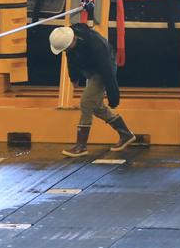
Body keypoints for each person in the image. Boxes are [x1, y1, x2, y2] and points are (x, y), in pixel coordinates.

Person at [49, 23, 136, 157]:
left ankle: (81, 146)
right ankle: (126, 134)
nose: (65, 51)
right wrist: (74, 77)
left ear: (73, 40)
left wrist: (113, 96)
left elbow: (107, 71)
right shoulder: (70, 43)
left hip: (102, 69)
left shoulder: (97, 45)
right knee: (96, 106)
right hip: (89, 68)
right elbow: (70, 58)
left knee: (86, 102)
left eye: (66, 48)